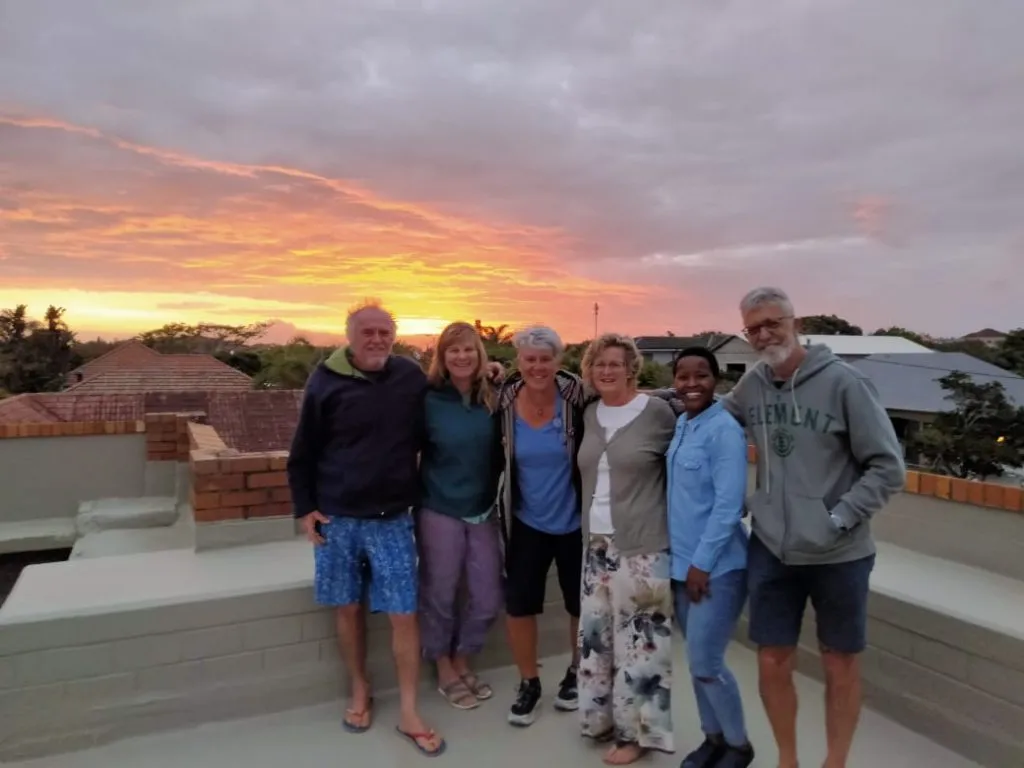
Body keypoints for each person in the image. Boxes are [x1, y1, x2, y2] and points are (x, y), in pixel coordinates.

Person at [729, 286, 906, 768]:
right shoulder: (753, 385)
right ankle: (788, 759)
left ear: (795, 321)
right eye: (754, 327)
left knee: (840, 663)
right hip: (772, 550)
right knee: (771, 660)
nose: (765, 334)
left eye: (774, 323)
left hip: (838, 553)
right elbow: (712, 418)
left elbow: (888, 468)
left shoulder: (845, 383)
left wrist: (838, 518)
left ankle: (835, 761)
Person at [286, 301, 445, 757]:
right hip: (337, 519)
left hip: (393, 518)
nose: (377, 339)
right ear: (350, 336)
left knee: (403, 613)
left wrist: (492, 372)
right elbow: (303, 452)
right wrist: (306, 508)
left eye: (384, 332)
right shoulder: (324, 381)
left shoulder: (408, 376)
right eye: (367, 332)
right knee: (347, 609)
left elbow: (449, 391)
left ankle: (410, 710)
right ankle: (360, 689)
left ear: (394, 336)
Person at [575, 333, 677, 765]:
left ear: (632, 368)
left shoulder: (657, 413)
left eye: (615, 363)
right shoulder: (590, 413)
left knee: (642, 645)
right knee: (596, 639)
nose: (606, 371)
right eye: (599, 364)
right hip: (595, 545)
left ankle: (638, 735)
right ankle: (599, 720)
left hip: (643, 546)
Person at [667, 347, 755, 768]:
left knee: (706, 661)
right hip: (682, 567)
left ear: (716, 381)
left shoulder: (723, 430)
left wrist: (701, 564)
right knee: (695, 662)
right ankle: (713, 738)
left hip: (717, 568)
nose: (691, 384)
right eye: (683, 376)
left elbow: (728, 505)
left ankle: (738, 746)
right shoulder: (684, 423)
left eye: (701, 375)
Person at [497, 325, 588, 727]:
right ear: (519, 362)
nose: (538, 366)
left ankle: (577, 673)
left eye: (546, 359)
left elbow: (620, 396)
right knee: (519, 605)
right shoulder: (502, 397)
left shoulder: (577, 395)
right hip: (525, 522)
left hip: (574, 523)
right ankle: (529, 682)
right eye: (530, 359)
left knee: (580, 605)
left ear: (558, 361)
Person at [417, 321, 503, 710]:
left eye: (469, 349)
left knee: (487, 597)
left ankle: (464, 656)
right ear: (442, 356)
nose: (462, 356)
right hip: (438, 507)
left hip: (483, 509)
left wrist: (501, 371)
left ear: (480, 354)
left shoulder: (495, 395)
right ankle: (443, 665)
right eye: (454, 350)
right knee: (440, 592)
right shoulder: (427, 397)